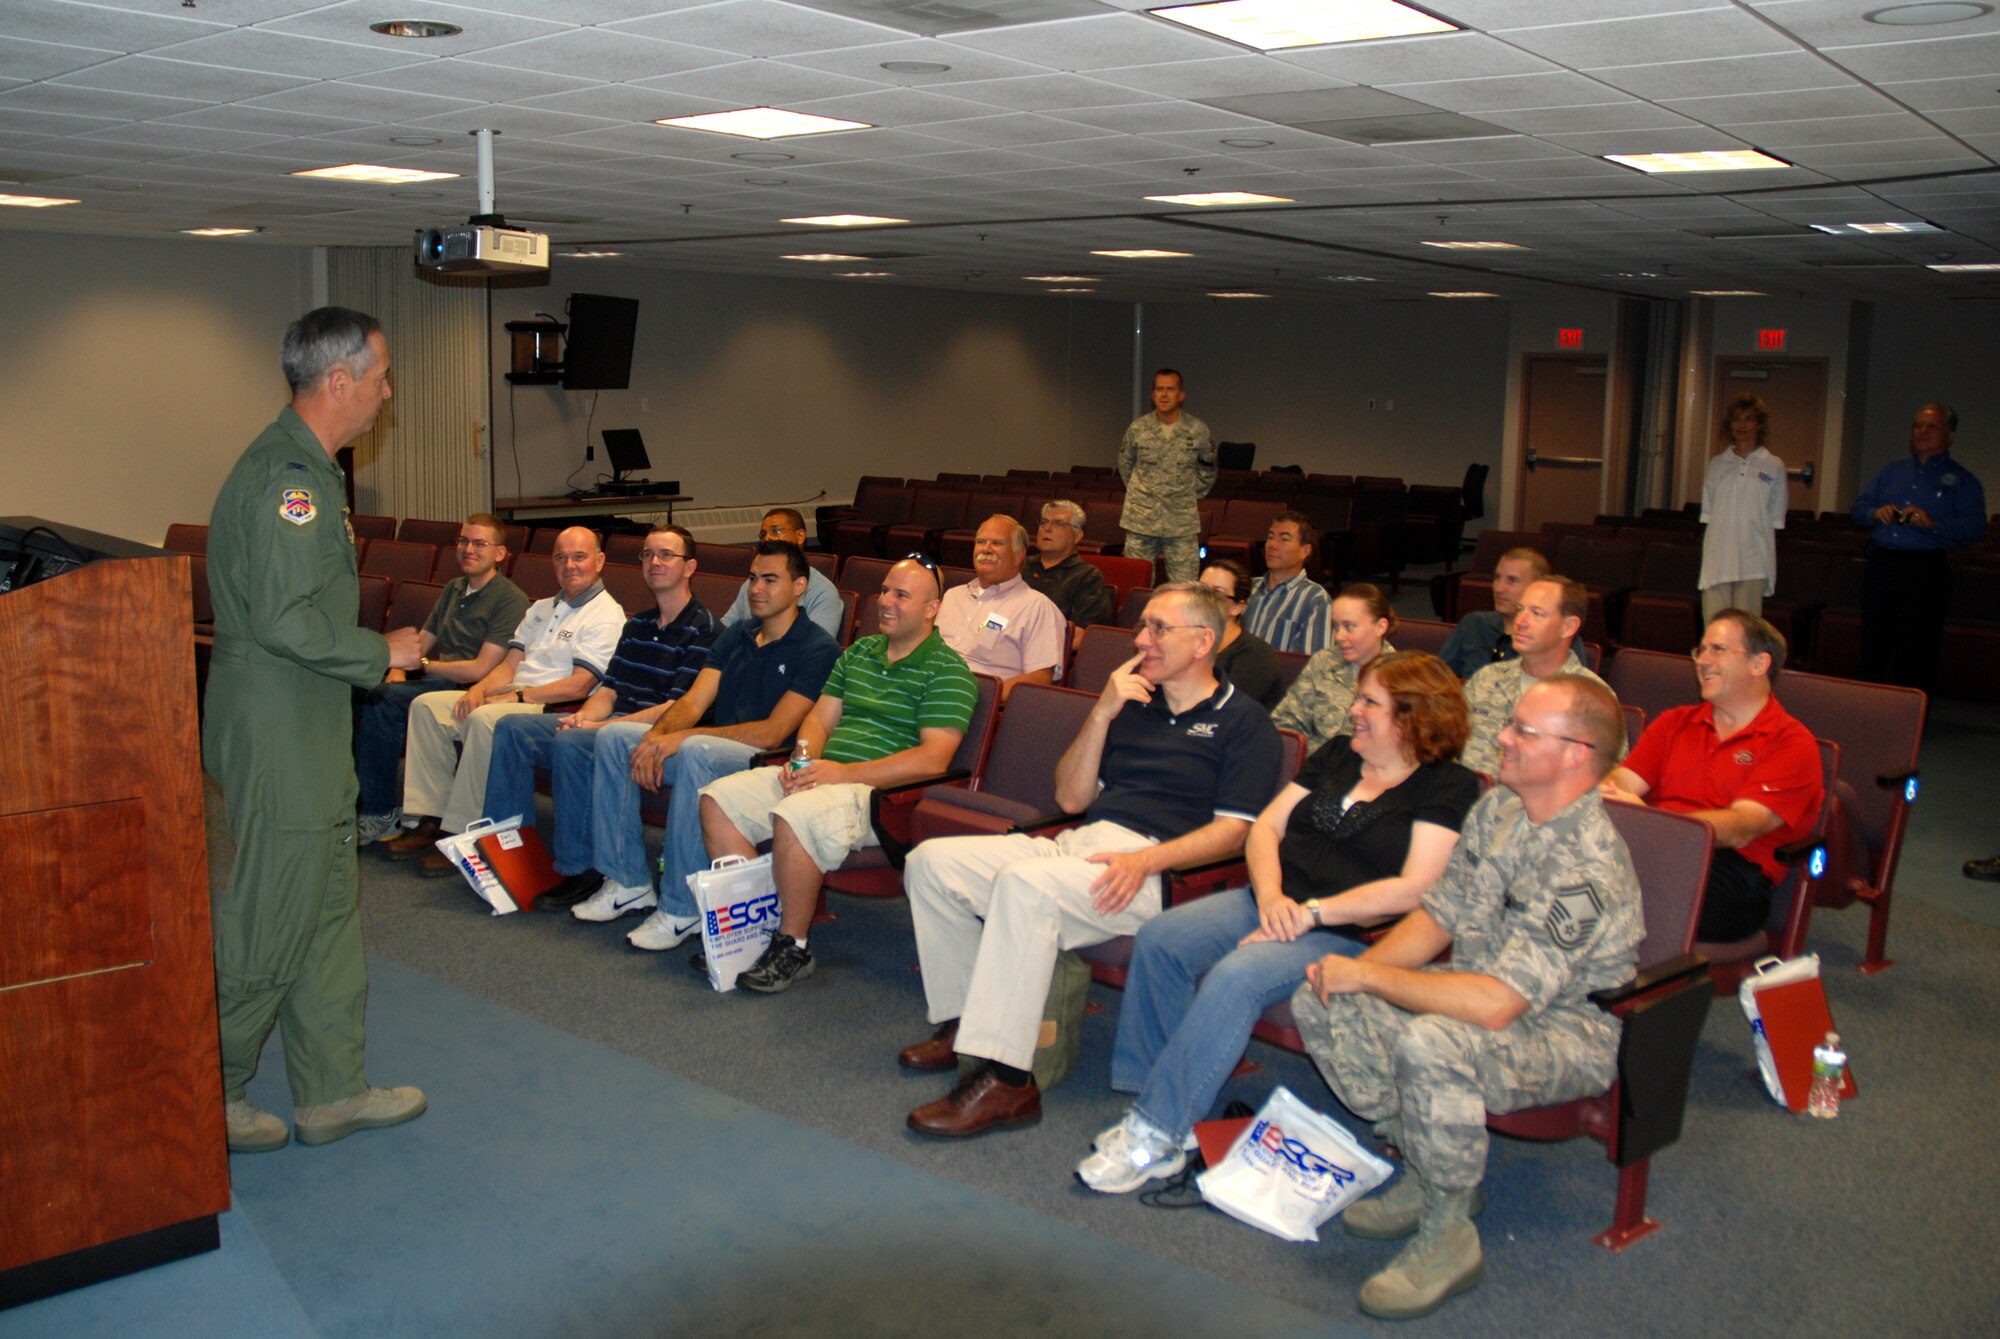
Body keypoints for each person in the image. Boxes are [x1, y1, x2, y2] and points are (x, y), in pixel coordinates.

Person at [1292, 676, 1640, 1320]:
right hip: (1477, 997)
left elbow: (1498, 1005)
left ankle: (1449, 1233)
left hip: (1565, 1034)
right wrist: (1354, 972)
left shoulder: (1588, 865)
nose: (1501, 738)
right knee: (1320, 998)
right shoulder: (1500, 808)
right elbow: (1440, 916)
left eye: (1523, 732)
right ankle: (1429, 1169)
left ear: (1576, 755)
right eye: (1510, 723)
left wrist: (1368, 977)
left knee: (1431, 1041)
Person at [1080, 652, 1478, 1192]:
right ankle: (1163, 1099)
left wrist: (1308, 914)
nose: (1354, 710)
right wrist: (1271, 900)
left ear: (1412, 716)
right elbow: (1265, 829)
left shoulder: (1446, 786)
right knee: (1162, 938)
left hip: (1347, 935)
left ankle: (1156, 1133)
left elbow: (1414, 887)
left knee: (1237, 976)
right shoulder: (1339, 753)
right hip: (1272, 902)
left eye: (1369, 702)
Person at [900, 583, 1283, 1138]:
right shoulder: (1134, 706)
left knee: (1026, 889)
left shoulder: (1244, 722)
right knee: (932, 863)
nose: (1141, 639)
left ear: (1204, 642)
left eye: (1158, 628)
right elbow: (1072, 799)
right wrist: (1102, 712)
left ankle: (1007, 1080)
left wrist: (1147, 861)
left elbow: (1233, 834)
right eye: (1142, 625)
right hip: (1081, 845)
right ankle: (966, 1031)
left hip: (1162, 875)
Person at [204, 305, 426, 1153]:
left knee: (329, 909)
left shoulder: (312, 469)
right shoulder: (288, 479)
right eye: (380, 377)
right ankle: (209, 1090)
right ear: (340, 382)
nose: (387, 393)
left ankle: (332, 1089)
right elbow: (287, 619)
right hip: (279, 727)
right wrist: (383, 648)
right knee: (275, 914)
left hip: (306, 719)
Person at [698, 556, 978, 992]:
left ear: (931, 608)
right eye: (885, 590)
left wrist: (840, 774)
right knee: (718, 799)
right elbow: (819, 721)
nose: (885, 602)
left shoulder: (949, 671)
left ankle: (793, 944)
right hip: (826, 777)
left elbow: (932, 761)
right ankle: (756, 931)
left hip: (881, 795)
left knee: (796, 814)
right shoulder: (859, 652)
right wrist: (804, 762)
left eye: (901, 595)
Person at [617, 542, 841, 951]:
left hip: (767, 762)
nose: (757, 588)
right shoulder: (737, 634)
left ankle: (681, 909)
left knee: (696, 751)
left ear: (800, 587)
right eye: (753, 578)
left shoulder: (818, 648)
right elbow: (693, 702)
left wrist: (684, 737)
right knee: (618, 737)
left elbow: (775, 732)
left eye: (770, 579)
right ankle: (623, 879)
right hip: (716, 747)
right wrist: (652, 740)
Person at [478, 524, 719, 901]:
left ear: (689, 567)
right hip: (609, 723)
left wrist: (600, 725)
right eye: (647, 554)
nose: (655, 562)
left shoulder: (704, 629)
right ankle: (508, 855)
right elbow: (608, 689)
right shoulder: (637, 623)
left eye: (666, 555)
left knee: (575, 742)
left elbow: (676, 709)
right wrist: (586, 716)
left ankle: (579, 866)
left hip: (655, 732)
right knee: (513, 728)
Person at [383, 527, 624, 859]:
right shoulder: (540, 608)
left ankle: (462, 831)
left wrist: (516, 698)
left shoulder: (606, 614)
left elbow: (581, 684)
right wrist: (478, 690)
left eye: (579, 557)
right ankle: (432, 818)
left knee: (483, 720)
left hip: (554, 706)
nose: (569, 565)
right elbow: (509, 665)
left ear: (599, 561)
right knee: (427, 707)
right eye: (560, 557)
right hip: (514, 695)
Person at [1601, 611, 1823, 941]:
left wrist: (1650, 819)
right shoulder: (1674, 723)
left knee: (1611, 888)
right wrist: (1614, 793)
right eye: (1699, 650)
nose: (1702, 661)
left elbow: (1741, 828)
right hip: (1656, 846)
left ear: (1759, 664)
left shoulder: (1791, 743)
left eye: (1717, 649)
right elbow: (1621, 782)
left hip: (1731, 872)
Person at [354, 513, 528, 844]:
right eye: (463, 541)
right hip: (434, 674)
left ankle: (380, 814)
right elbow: (424, 639)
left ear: (501, 554)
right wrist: (398, 668)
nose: (468, 549)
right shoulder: (454, 587)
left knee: (385, 700)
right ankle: (356, 801)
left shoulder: (509, 598)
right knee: (358, 688)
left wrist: (422, 664)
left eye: (480, 543)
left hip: (464, 686)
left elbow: (480, 669)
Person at [1850, 403, 1986, 691]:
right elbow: (1859, 507)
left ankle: (1910, 722)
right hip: (1882, 565)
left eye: (1931, 426)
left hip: (1925, 570)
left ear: (1949, 436)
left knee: (1917, 650)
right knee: (1873, 644)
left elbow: (1975, 527)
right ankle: (1866, 713)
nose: (1922, 432)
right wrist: (1875, 513)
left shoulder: (1963, 480)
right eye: (1917, 426)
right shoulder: (1892, 472)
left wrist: (1932, 523)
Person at [1460, 576, 1610, 777]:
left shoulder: (1593, 698)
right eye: (1520, 610)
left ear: (1569, 627)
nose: (1520, 622)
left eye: (1537, 614)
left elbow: (1604, 782)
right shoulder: (1487, 678)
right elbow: (1448, 746)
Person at [935, 514, 1067, 702]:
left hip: (975, 703)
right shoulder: (953, 595)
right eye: (981, 542)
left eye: (997, 543)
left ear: (1019, 555)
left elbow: (1040, 678)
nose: (986, 549)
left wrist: (982, 697)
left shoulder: (1036, 607)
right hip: (924, 690)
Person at [1272, 582, 1397, 751]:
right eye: (1335, 626)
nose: (1339, 636)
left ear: (1380, 627)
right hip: (1314, 767)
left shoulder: (1401, 678)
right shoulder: (1324, 662)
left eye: (1349, 626)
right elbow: (1286, 720)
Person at [1118, 368, 1214, 584]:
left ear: (1181, 395)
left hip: (1181, 522)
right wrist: (1142, 494)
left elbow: (1208, 468)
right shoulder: (1138, 428)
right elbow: (1125, 465)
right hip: (1141, 520)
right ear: (1153, 395)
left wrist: (1186, 494)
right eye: (1159, 389)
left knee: (1184, 587)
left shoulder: (1197, 430)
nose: (1164, 394)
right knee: (1135, 583)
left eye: (1170, 389)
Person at [1699, 394, 1788, 621]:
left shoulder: (1774, 465)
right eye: (1737, 418)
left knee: (1745, 635)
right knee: (1715, 629)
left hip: (1753, 561)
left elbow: (1775, 516)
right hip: (1718, 561)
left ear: (1759, 425)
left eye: (1748, 419)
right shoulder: (1717, 464)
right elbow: (1709, 513)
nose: (1742, 424)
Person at [720, 508, 845, 640]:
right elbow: (722, 633)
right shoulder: (752, 584)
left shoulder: (822, 592)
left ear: (800, 536)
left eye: (776, 531)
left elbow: (817, 649)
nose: (767, 538)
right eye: (763, 534)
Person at [1437, 547, 1547, 680]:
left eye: (1512, 580)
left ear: (1537, 588)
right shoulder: (1474, 624)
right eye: (1497, 578)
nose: (1499, 588)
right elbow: (1436, 677)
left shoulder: (1554, 637)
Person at [1198, 558, 1284, 710]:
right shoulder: (1185, 641)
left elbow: (1226, 710)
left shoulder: (1256, 655)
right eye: (1200, 589)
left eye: (1217, 593)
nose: (1203, 599)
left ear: (1238, 607)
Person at [1241, 512, 1330, 655]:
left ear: (1305, 551)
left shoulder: (1316, 600)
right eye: (1270, 537)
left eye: (1284, 539)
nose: (1272, 545)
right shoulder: (1246, 588)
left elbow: (1313, 665)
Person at [1024, 498, 1115, 632]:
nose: (1047, 528)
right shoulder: (1019, 565)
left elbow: (1085, 634)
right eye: (1044, 522)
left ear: (1077, 536)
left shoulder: (1087, 577)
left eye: (1058, 523)